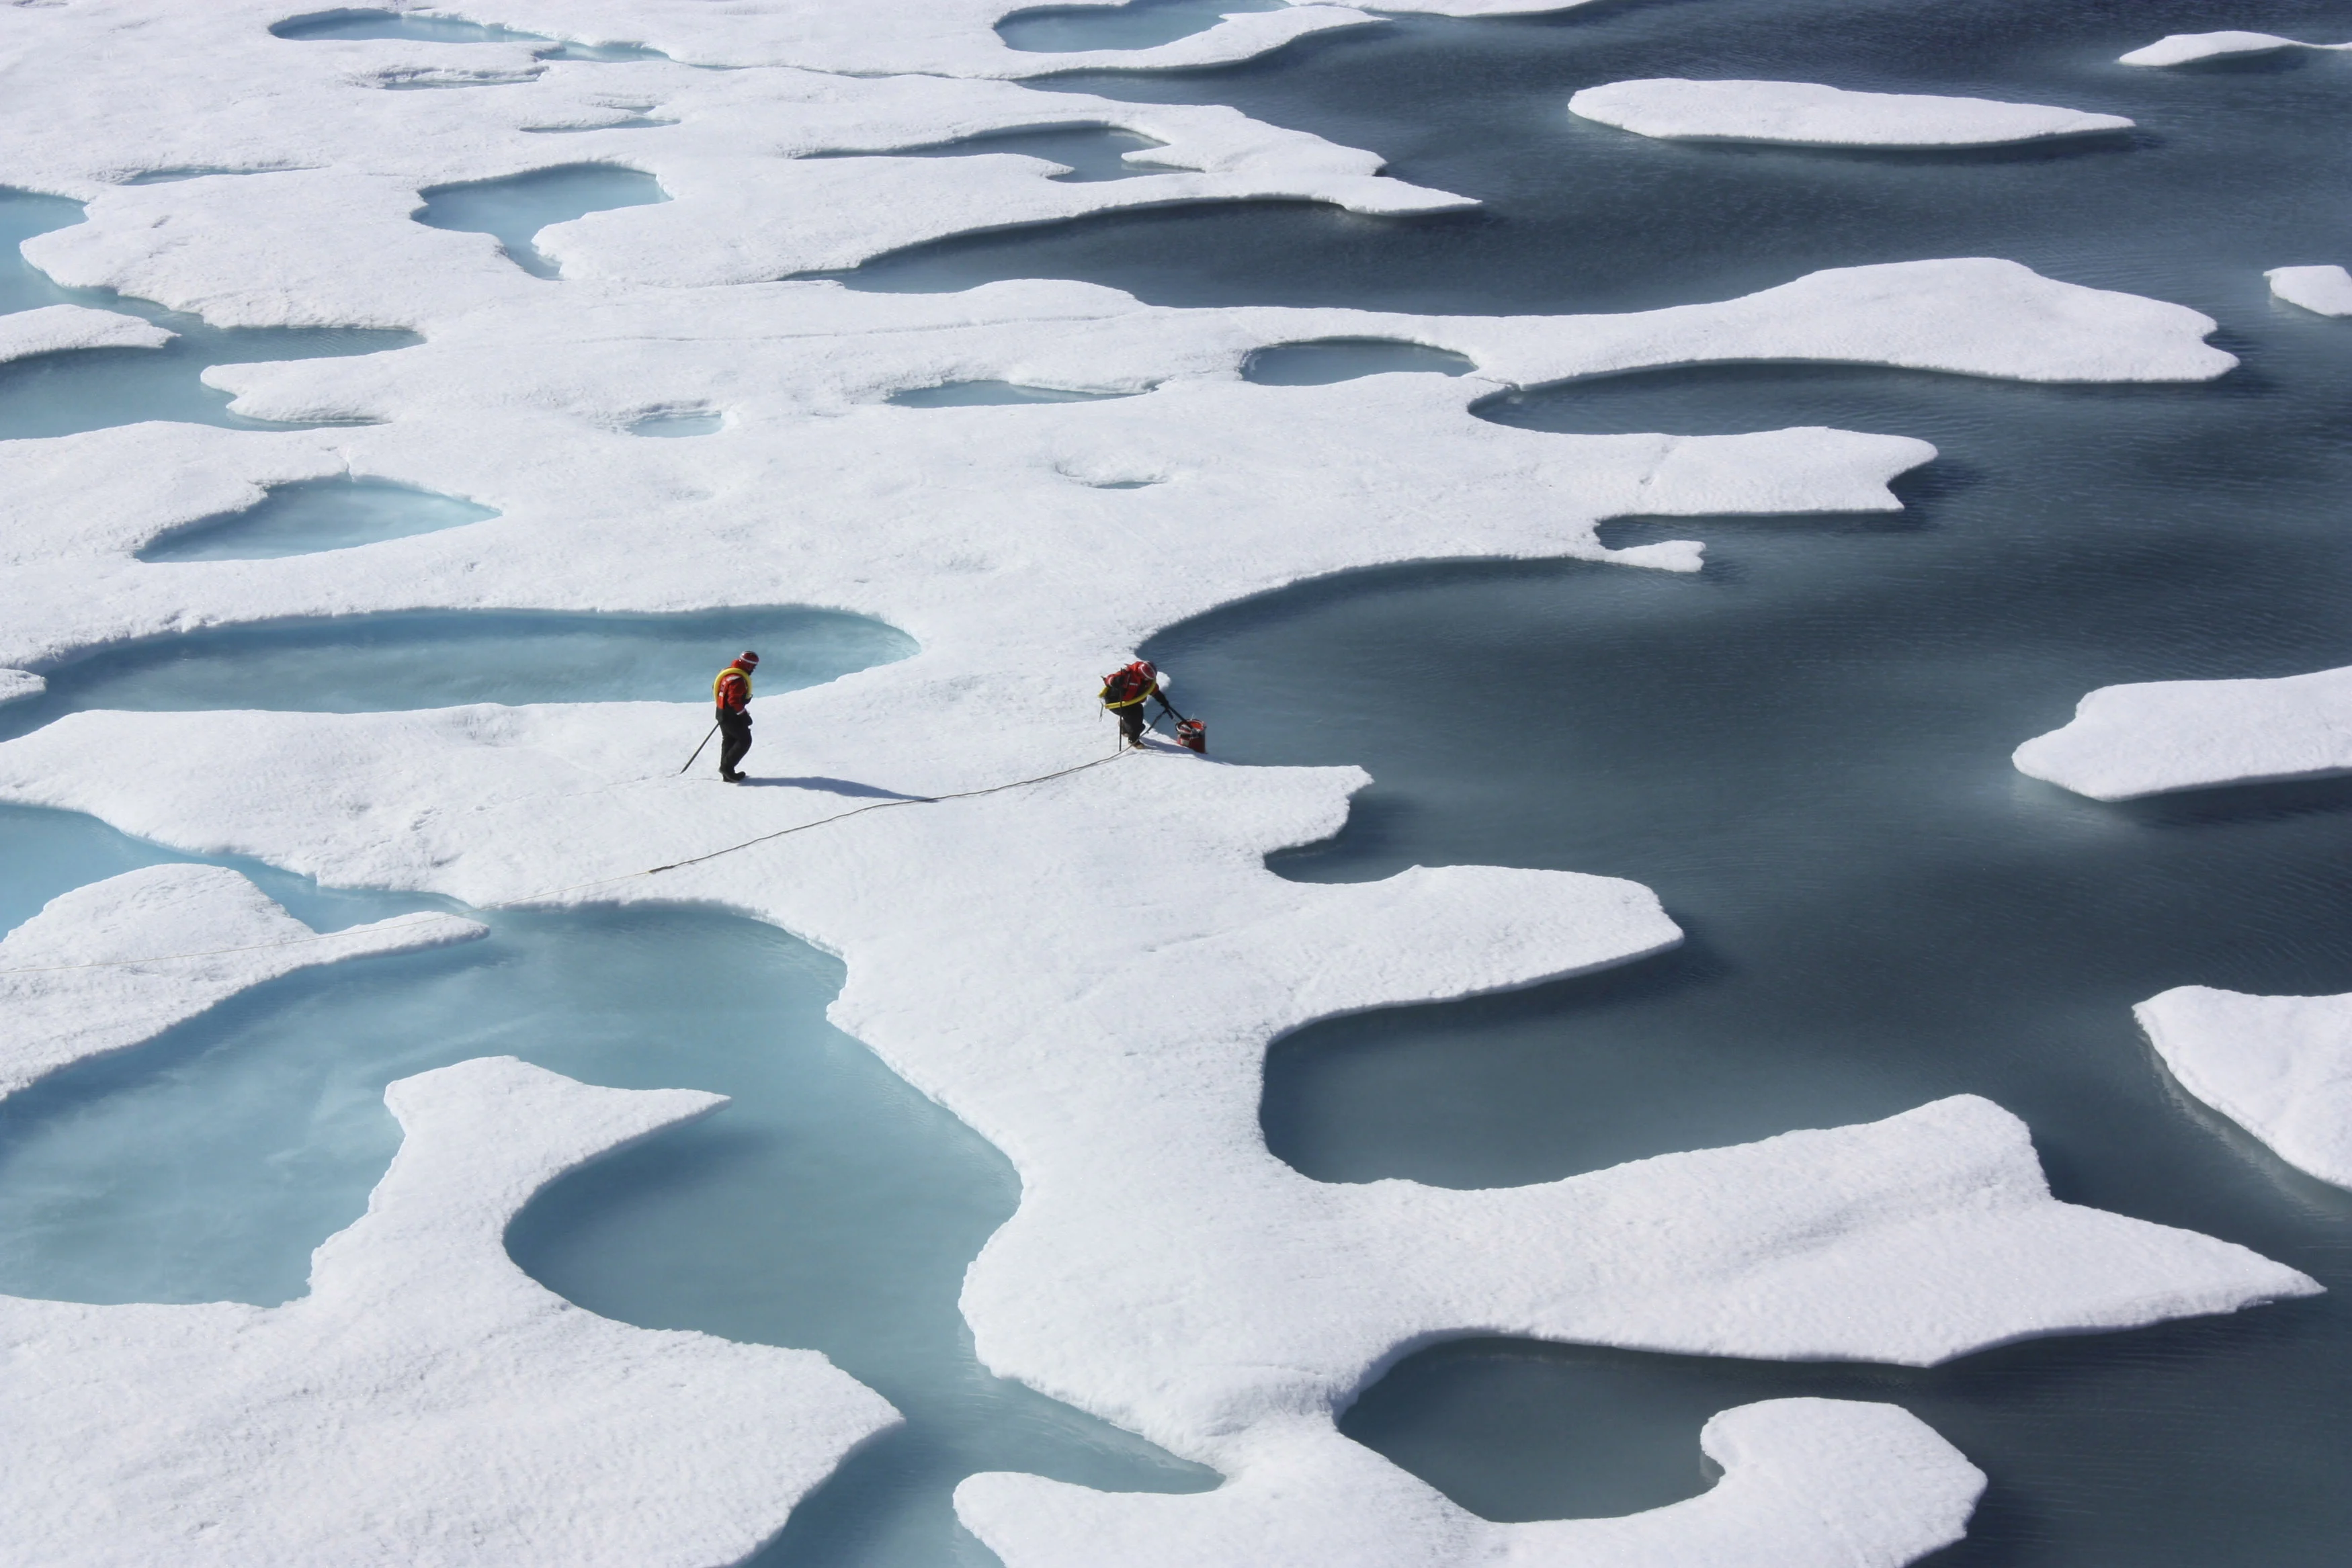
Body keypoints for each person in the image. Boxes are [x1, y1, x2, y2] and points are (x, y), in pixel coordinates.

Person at [1099, 659, 1175, 749]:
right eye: (1147, 678)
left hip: (1132, 701)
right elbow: (1108, 679)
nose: (1149, 680)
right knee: (1135, 721)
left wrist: (1164, 702)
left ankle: (1124, 726)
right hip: (1116, 702)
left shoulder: (1148, 681)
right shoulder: (1127, 675)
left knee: (1138, 715)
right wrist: (1115, 681)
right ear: (1142, 675)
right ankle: (1133, 740)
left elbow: (1154, 691)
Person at [714, 650, 759, 782]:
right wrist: (743, 715)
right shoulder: (738, 680)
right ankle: (727, 768)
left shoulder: (727, 672)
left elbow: (716, 688)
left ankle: (727, 773)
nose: (754, 669)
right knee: (745, 740)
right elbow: (734, 701)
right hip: (731, 715)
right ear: (748, 665)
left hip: (721, 712)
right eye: (753, 666)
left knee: (729, 740)